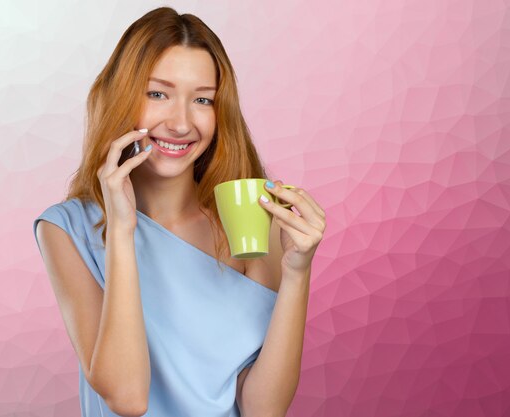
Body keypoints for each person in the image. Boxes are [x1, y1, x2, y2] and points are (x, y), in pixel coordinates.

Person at [32, 6, 326, 417]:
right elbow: (128, 398)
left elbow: (263, 409)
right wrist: (121, 229)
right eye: (158, 94)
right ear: (121, 96)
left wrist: (298, 272)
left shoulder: (252, 221)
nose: (182, 123)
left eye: (202, 99)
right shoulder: (67, 229)